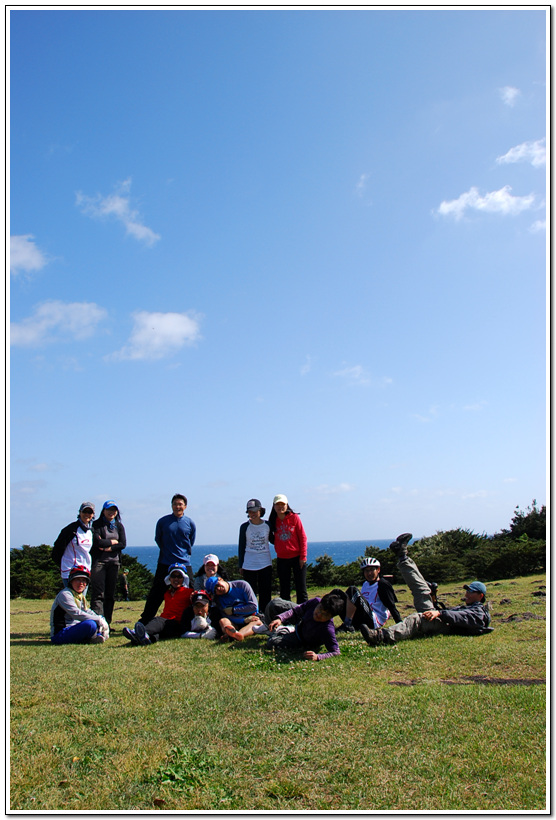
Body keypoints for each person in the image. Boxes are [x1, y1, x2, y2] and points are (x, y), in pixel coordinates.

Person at [360, 533, 493, 646]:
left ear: (480, 596)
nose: (467, 594)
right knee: (423, 589)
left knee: (418, 619)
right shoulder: (472, 607)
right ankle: (402, 555)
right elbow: (457, 614)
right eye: (467, 590)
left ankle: (380, 637)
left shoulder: (479, 612)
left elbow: (461, 618)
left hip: (446, 626)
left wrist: (440, 614)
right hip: (443, 619)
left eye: (471, 591)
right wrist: (436, 606)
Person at [139, 494, 196, 625]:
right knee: (157, 592)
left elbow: (190, 541)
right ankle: (146, 619)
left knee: (192, 591)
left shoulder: (189, 522)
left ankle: (193, 619)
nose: (178, 506)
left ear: (185, 506)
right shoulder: (163, 521)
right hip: (165, 561)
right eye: (175, 504)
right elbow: (158, 539)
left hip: (184, 562)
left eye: (180, 504)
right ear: (172, 506)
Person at [123, 563, 193, 645]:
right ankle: (143, 640)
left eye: (179, 576)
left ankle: (140, 632)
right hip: (166, 626)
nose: (176, 579)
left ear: (184, 578)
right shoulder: (167, 593)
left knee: (158, 620)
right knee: (157, 633)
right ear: (169, 578)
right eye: (173, 576)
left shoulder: (189, 592)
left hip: (176, 624)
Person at [266, 592, 344, 661]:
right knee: (275, 603)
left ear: (331, 617)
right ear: (319, 603)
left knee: (271, 642)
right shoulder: (315, 601)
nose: (319, 614)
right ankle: (273, 626)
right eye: (320, 608)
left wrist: (318, 657)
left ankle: (283, 629)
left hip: (301, 638)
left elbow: (335, 652)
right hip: (301, 620)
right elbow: (296, 610)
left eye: (325, 615)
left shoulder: (327, 629)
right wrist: (280, 618)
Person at [338, 556, 401, 633]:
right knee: (337, 594)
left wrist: (400, 625)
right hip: (362, 618)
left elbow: (391, 606)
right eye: (366, 571)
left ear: (378, 570)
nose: (369, 573)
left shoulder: (382, 584)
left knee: (352, 590)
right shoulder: (365, 584)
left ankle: (347, 625)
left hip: (373, 620)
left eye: (372, 570)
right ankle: (325, 623)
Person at [50, 565, 109, 645]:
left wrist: (101, 619)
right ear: (71, 581)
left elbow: (87, 611)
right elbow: (76, 614)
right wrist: (98, 620)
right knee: (90, 624)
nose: (81, 583)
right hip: (61, 633)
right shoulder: (65, 595)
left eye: (84, 581)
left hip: (74, 628)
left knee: (95, 623)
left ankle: (95, 636)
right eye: (78, 580)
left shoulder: (79, 596)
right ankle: (92, 637)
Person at [90, 500, 127, 626]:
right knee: (98, 593)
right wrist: (113, 542)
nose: (111, 512)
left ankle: (107, 623)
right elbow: (97, 543)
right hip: (99, 562)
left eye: (114, 510)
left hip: (114, 563)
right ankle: (97, 622)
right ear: (103, 511)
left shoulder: (119, 526)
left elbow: (123, 544)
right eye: (109, 509)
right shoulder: (96, 525)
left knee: (110, 594)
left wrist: (109, 547)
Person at [268, 494, 308, 603]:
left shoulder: (294, 517)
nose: (280, 507)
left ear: (287, 505)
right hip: (282, 559)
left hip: (297, 558)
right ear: (274, 506)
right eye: (278, 504)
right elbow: (271, 538)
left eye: (283, 504)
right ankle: (286, 615)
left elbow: (303, 537)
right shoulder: (272, 521)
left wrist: (303, 557)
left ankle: (304, 614)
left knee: (301, 588)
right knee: (284, 590)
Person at [238, 499, 273, 613]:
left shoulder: (267, 525)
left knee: (265, 591)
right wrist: (241, 565)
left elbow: (274, 540)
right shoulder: (244, 527)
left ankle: (265, 614)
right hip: (249, 564)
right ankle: (252, 613)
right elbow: (242, 546)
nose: (252, 514)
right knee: (250, 592)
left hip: (265, 563)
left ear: (260, 511)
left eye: (254, 511)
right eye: (250, 511)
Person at [205, 575, 263, 642]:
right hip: (235, 621)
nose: (218, 589)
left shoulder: (242, 585)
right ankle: (233, 633)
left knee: (257, 622)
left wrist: (234, 610)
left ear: (220, 579)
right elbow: (226, 615)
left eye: (217, 585)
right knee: (223, 621)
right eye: (215, 590)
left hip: (252, 617)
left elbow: (253, 607)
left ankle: (236, 635)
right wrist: (243, 620)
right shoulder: (219, 599)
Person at [52, 502, 96, 585]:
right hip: (70, 571)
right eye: (84, 512)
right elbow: (57, 549)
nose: (87, 514)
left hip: (85, 570)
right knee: (70, 597)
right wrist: (63, 565)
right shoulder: (70, 529)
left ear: (93, 515)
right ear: (80, 512)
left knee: (81, 597)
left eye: (89, 512)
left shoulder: (91, 531)